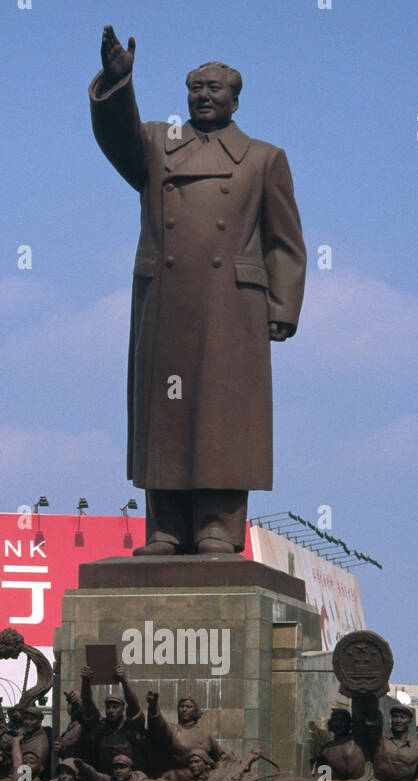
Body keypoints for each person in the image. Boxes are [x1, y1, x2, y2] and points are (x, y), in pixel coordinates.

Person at [90, 31, 307, 557]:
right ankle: (165, 527)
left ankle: (219, 526)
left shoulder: (262, 158)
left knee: (222, 416)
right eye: (195, 89)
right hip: (165, 301)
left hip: (231, 308)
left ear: (236, 98)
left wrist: (281, 307)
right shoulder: (159, 148)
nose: (203, 97)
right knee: (165, 412)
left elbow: (285, 239)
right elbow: (117, 138)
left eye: (214, 89)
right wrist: (119, 82)